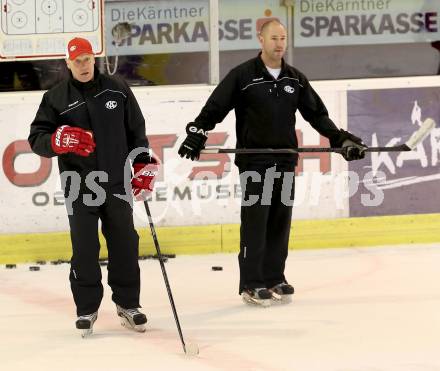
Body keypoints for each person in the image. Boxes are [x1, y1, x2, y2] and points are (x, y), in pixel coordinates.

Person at [178, 20, 366, 307]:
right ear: (261, 40)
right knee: (256, 220)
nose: (279, 43)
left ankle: (274, 276)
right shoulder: (243, 76)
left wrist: (341, 139)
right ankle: (251, 283)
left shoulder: (295, 79)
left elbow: (316, 115)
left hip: (285, 158)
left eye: (283, 38)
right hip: (255, 161)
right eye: (274, 38)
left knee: (280, 219)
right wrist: (197, 133)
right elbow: (215, 108)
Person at [28, 37, 158, 335]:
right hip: (79, 184)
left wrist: (142, 164)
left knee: (125, 243)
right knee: (84, 247)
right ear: (68, 63)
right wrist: (56, 141)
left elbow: (136, 130)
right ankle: (86, 308)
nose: (84, 65)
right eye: (78, 60)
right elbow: (37, 139)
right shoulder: (56, 97)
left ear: (94, 59)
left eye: (87, 59)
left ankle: (129, 304)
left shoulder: (118, 89)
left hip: (117, 182)